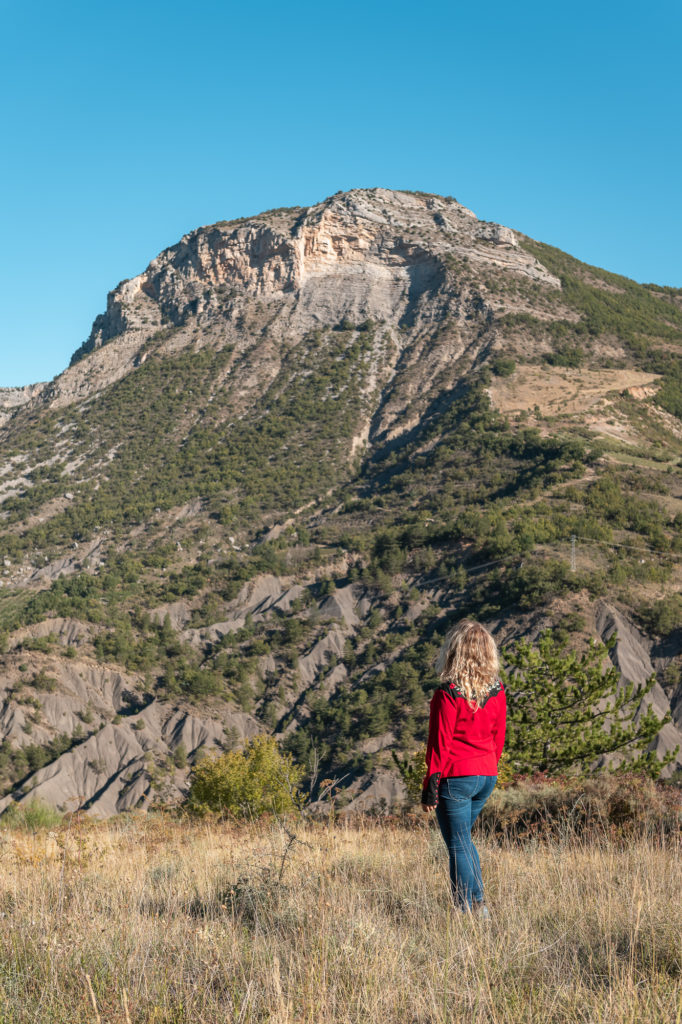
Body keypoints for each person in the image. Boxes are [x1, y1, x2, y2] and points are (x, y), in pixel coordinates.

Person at [421, 620, 506, 917]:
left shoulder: (448, 694)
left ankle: (469, 909)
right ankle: (477, 905)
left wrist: (430, 786)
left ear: (454, 651)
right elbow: (500, 736)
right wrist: (486, 767)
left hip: (456, 776)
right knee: (463, 840)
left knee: (457, 844)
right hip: (486, 775)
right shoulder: (497, 690)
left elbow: (439, 745)